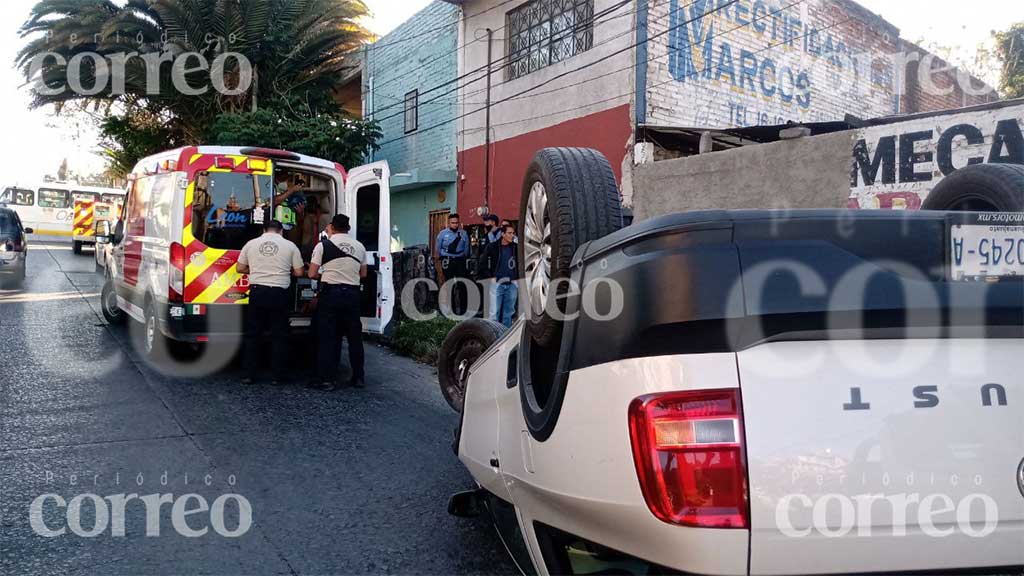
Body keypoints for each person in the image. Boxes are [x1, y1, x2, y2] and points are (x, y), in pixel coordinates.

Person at [237, 220, 305, 385]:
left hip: (258, 292)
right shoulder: (290, 246)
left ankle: (248, 375)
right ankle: (277, 376)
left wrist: (256, 270)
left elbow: (240, 268)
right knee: (279, 335)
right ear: (281, 231)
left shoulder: (251, 244)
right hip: (279, 294)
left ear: (264, 229)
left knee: (253, 334)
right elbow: (299, 272)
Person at [309, 214, 368, 391]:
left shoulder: (323, 245)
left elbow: (312, 274)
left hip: (331, 294)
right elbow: (363, 274)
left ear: (332, 227)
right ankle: (358, 378)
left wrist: (327, 273)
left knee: (328, 337)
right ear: (348, 229)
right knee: (354, 338)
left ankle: (327, 380)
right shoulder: (359, 246)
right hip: (352, 295)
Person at [484, 224, 520, 327]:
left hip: (512, 284)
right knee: (494, 313)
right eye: (509, 233)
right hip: (497, 284)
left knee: (508, 314)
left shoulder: (515, 248)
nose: (512, 235)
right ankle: (493, 338)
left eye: (513, 233)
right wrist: (490, 276)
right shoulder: (492, 247)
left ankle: (505, 337)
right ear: (503, 234)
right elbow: (482, 262)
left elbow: (520, 263)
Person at [435, 213, 470, 316]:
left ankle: (463, 311)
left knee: (462, 285)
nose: (455, 225)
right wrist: (444, 257)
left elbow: (467, 248)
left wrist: (463, 257)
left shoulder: (463, 234)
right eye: (453, 223)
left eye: (456, 223)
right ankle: (451, 311)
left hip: (460, 260)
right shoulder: (442, 234)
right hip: (448, 261)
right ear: (449, 223)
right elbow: (438, 248)